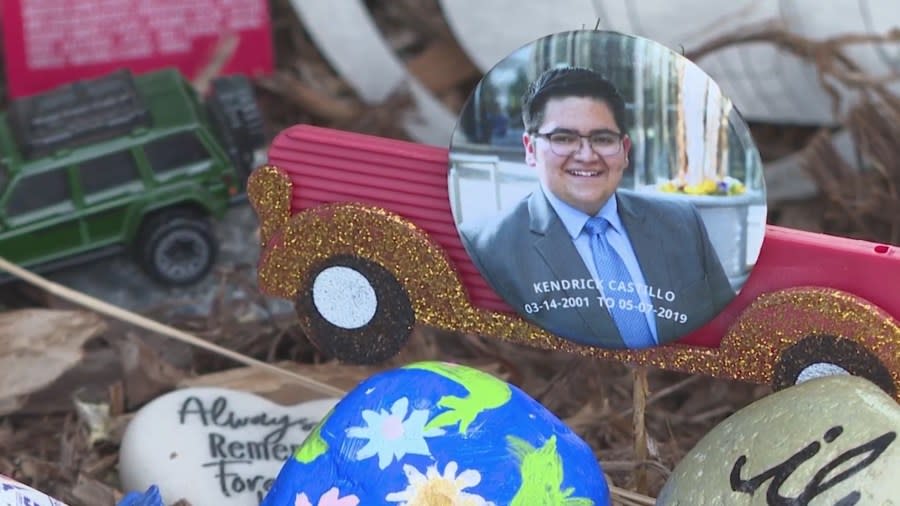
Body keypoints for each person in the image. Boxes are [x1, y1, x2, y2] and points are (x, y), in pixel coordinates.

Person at [458, 66, 735, 349]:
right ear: (530, 149)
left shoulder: (681, 222)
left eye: (603, 139)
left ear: (625, 149)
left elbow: (727, 327)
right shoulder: (488, 248)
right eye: (563, 139)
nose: (587, 156)